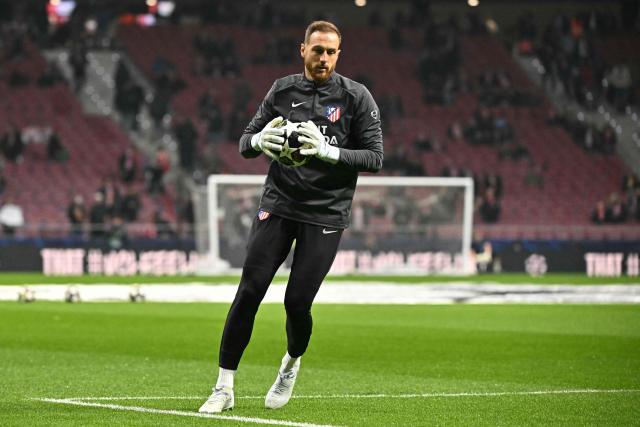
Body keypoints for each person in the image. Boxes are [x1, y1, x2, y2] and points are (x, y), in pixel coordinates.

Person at [199, 20, 383, 414]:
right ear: (303, 50)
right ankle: (223, 386)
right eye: (317, 50)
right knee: (249, 290)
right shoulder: (282, 90)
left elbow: (374, 157)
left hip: (326, 212)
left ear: (339, 53)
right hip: (279, 204)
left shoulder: (356, 97)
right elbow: (245, 141)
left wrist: (328, 152)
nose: (323, 58)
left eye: (331, 51)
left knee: (297, 302)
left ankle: (290, 363)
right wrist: (259, 141)